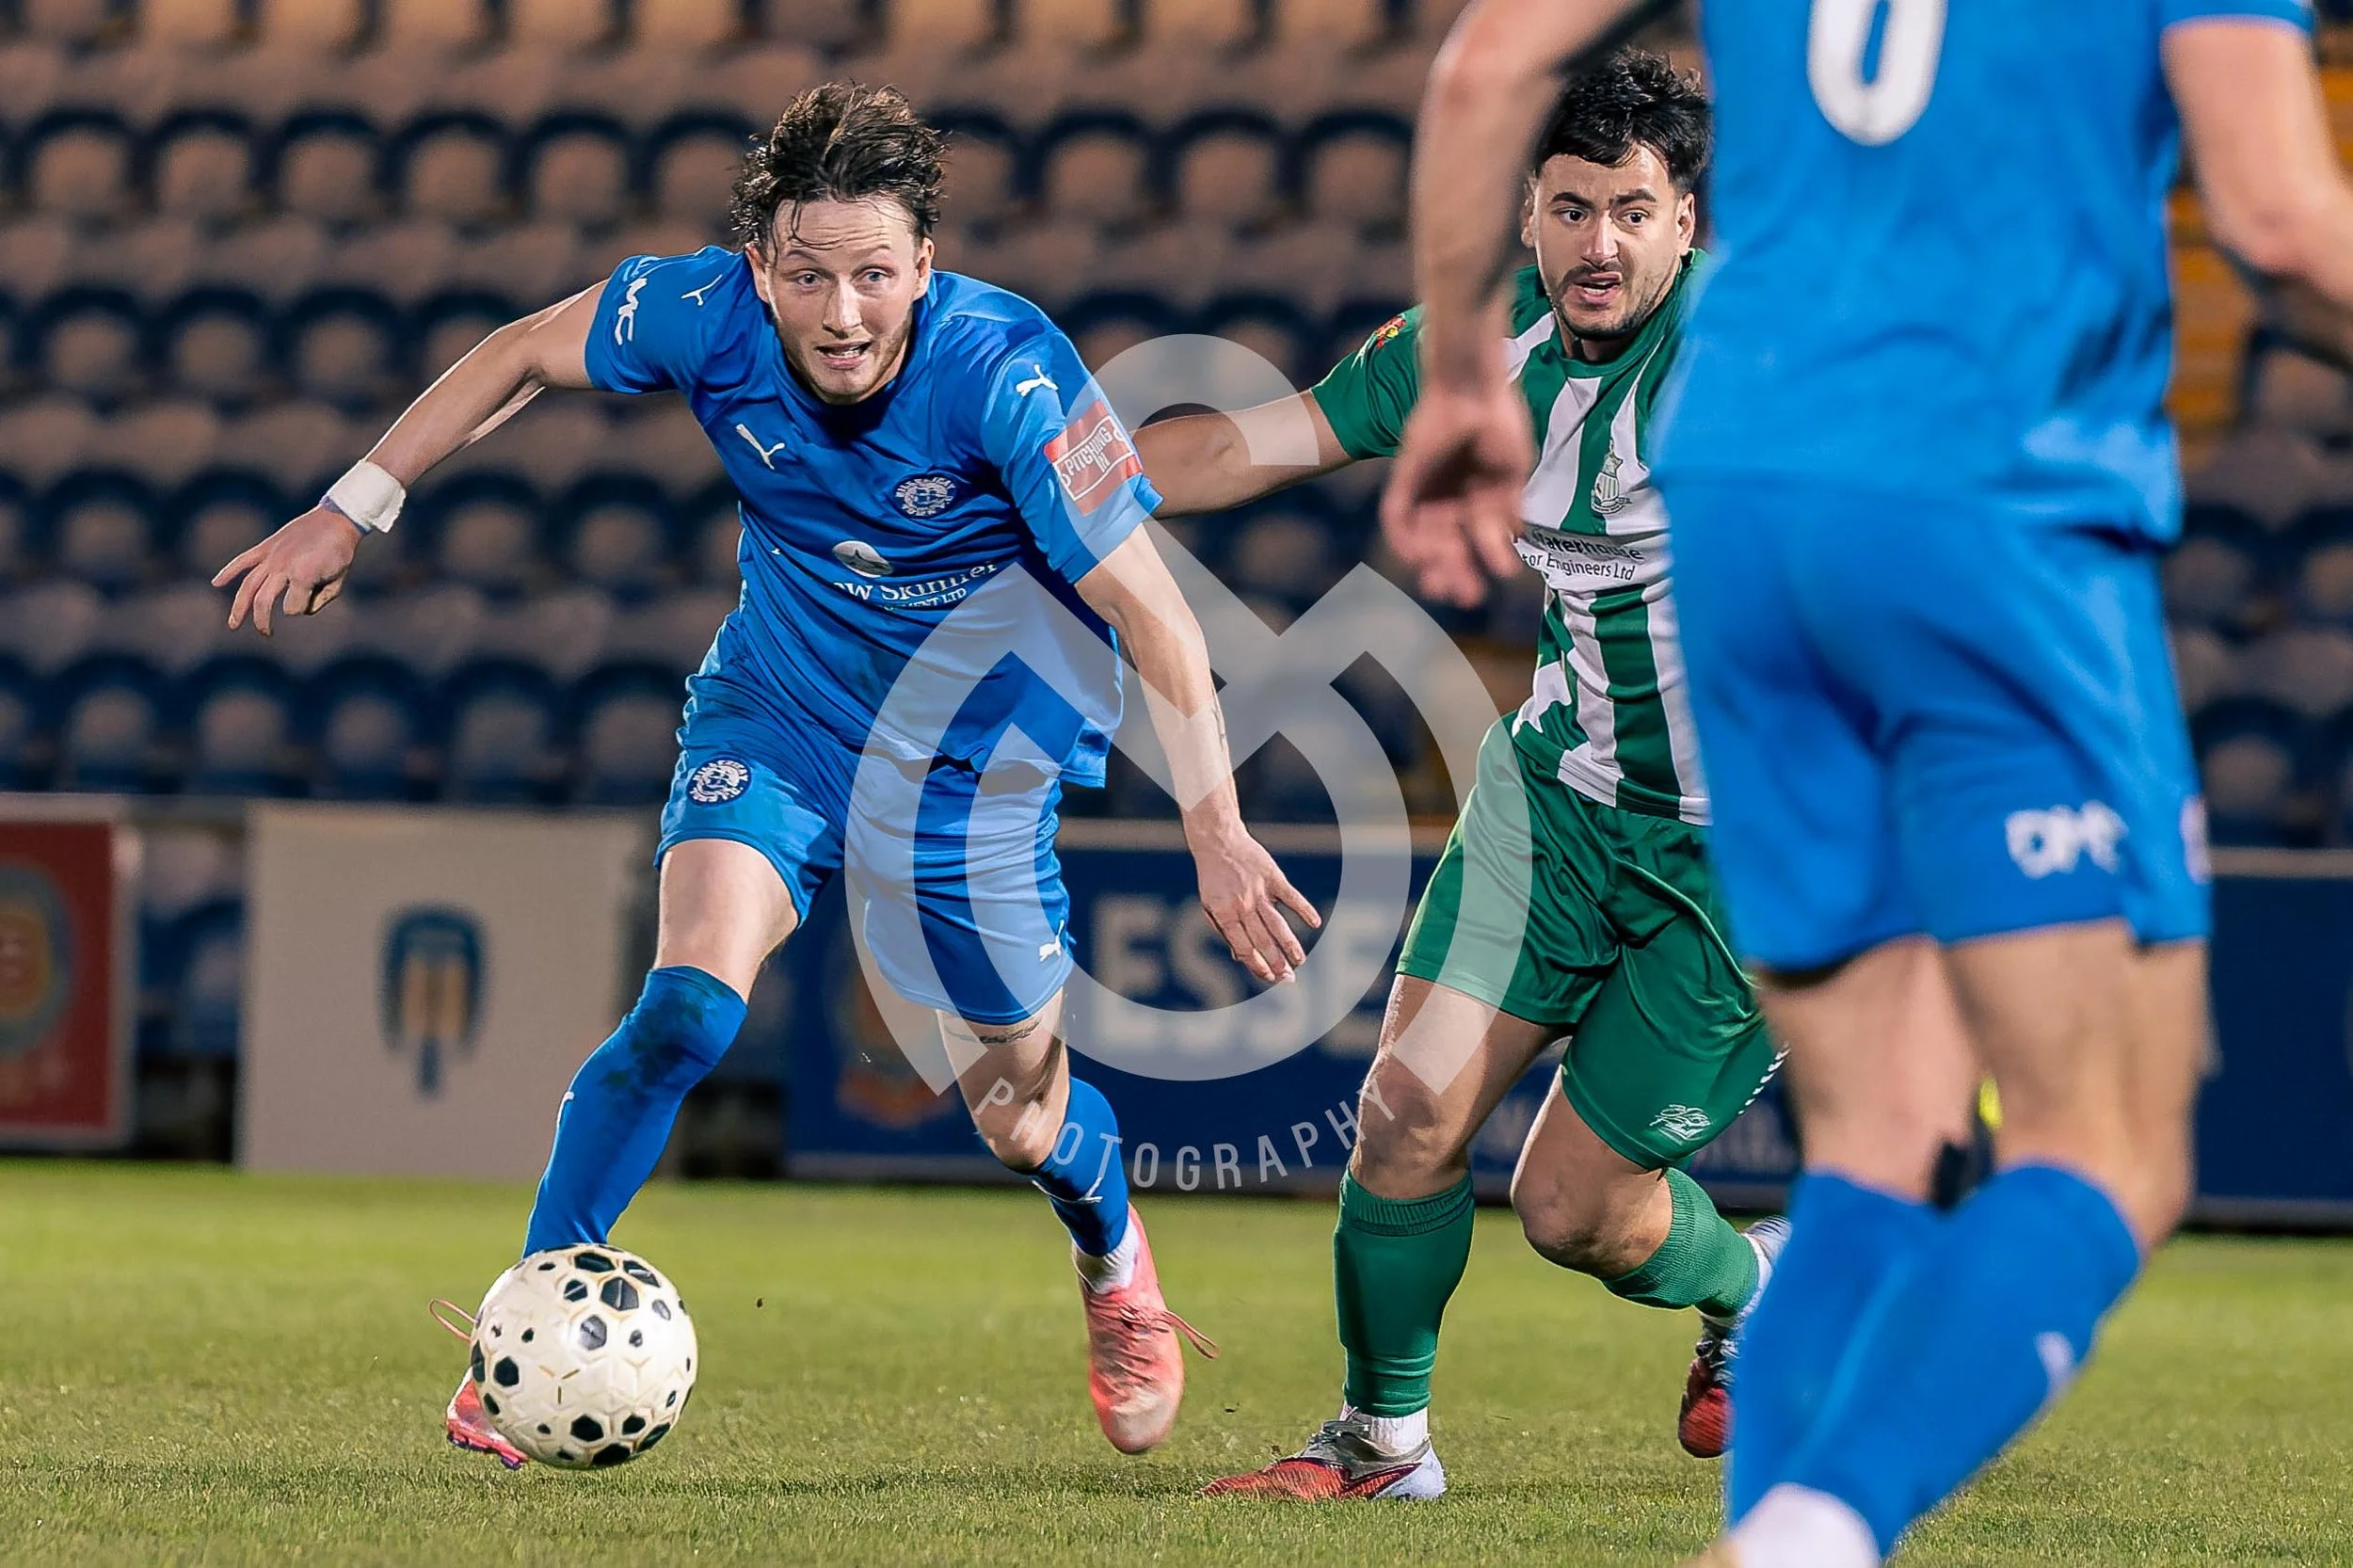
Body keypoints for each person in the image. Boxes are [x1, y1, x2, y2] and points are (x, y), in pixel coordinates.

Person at [215, 82, 1316, 1467]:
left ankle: (1113, 1256)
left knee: (1023, 1116)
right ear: (759, 270)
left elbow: (1157, 614)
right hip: (781, 712)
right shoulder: (700, 315)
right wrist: (350, 506)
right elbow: (516, 355)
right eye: (809, 275)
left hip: (973, 765)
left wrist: (1213, 825)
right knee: (684, 1010)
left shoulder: (1009, 373)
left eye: (873, 274)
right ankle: (528, 1327)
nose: (842, 313)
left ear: (925, 265)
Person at [1382, 2, 2353, 1564]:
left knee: (1881, 1134)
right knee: (2108, 1147)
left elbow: (1489, 61)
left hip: (1743, 505)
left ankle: (1791, 1512)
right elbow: (2285, 226)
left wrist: (1453, 378)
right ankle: (1808, 1530)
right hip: (1994, 495)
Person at [1137, 52, 1794, 1498]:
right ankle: (1384, 1442)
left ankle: (1755, 1281)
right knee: (1406, 1111)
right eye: (1569, 208)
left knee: (1574, 1209)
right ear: (1528, 213)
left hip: (1742, 854)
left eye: (1633, 210)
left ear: (1689, 220)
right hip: (1554, 804)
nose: (1598, 245)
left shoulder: (1766, 352)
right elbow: (1268, 438)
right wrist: (1070, 467)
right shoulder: (1478, 340)